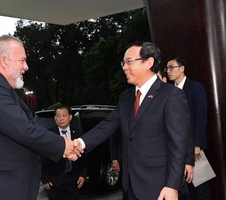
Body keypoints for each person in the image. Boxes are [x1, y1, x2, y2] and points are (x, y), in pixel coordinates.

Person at [0, 35, 80, 200]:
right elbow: (23, 129)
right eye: (22, 60)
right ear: (4, 61)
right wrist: (62, 145)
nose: (26, 67)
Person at [74, 41, 191, 200]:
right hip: (130, 186)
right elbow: (107, 126)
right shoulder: (126, 97)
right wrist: (80, 143)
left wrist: (172, 185)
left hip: (160, 186)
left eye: (129, 61)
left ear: (148, 62)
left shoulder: (171, 95)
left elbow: (178, 144)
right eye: (123, 62)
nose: (124, 67)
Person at [166, 55, 211, 200]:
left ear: (182, 69)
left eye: (171, 67)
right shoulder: (168, 91)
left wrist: (197, 144)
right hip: (175, 149)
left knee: (202, 185)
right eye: (166, 68)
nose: (168, 71)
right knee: (184, 189)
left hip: (194, 147)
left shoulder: (195, 87)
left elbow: (201, 118)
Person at [41, 105, 87, 200]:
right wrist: (45, 178)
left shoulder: (79, 133)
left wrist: (82, 174)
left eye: (64, 115)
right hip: (54, 180)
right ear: (55, 118)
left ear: (70, 117)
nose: (61, 118)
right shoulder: (49, 134)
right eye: (58, 116)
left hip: (74, 180)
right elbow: (43, 157)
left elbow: (83, 156)